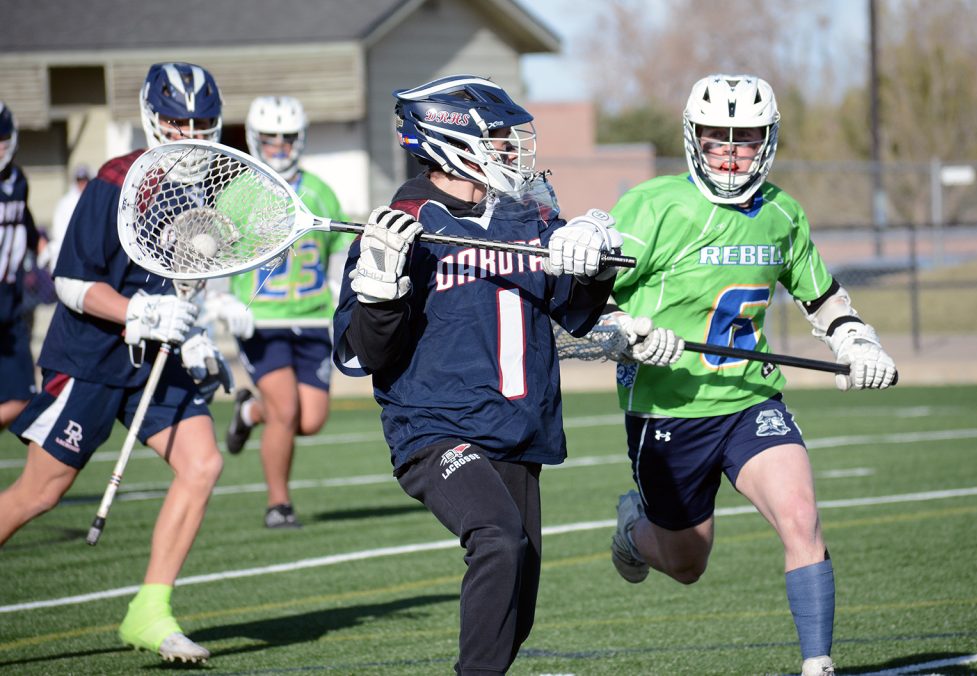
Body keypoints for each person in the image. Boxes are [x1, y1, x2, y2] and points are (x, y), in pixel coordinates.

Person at [601, 74, 897, 676]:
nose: (732, 154)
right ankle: (634, 531)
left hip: (750, 398)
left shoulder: (781, 213)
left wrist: (857, 339)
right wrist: (627, 335)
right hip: (670, 409)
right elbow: (583, 306)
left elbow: (823, 296)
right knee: (688, 563)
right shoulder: (653, 205)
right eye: (718, 139)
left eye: (746, 139)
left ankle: (819, 665)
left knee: (802, 518)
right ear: (694, 139)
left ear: (768, 141)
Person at [333, 74, 622, 675]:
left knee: (517, 609)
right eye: (497, 137)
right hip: (435, 429)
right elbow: (361, 355)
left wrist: (591, 260)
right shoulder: (399, 226)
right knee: (497, 538)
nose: (512, 151)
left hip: (516, 431)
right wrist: (380, 295)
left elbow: (575, 309)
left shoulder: (529, 214)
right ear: (449, 141)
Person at [0, 62, 234, 664]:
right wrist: (139, 313)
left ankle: (149, 612)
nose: (189, 134)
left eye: (201, 122)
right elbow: (72, 282)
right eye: (177, 122)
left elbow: (184, 277)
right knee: (39, 492)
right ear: (152, 117)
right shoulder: (116, 179)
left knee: (203, 462)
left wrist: (196, 334)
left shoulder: (205, 186)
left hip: (156, 356)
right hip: (93, 355)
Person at [218, 95, 353, 529]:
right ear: (256, 139)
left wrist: (339, 290)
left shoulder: (320, 192)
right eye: (271, 137)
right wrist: (225, 300)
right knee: (286, 410)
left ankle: (249, 411)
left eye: (288, 137)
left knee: (310, 419)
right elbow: (213, 255)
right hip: (262, 320)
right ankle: (279, 504)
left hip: (312, 317)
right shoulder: (237, 194)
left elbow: (339, 255)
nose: (279, 145)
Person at [0, 102, 44, 430]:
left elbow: (26, 227)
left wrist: (49, 252)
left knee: (24, 397)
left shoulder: (19, 180)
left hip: (10, 300)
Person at [46, 163, 92, 273]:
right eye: (79, 180)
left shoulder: (94, 201)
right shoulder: (65, 203)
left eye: (84, 180)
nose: (82, 184)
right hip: (70, 255)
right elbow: (59, 232)